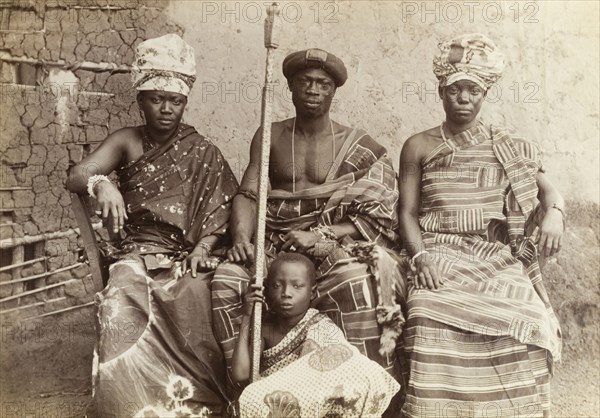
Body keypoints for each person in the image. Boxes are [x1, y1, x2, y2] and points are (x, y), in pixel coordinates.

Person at [211, 48, 403, 394]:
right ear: (290, 87)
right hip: (276, 242)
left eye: (323, 84)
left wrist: (322, 234)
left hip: (334, 244)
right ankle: (242, 393)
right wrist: (242, 239)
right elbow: (249, 193)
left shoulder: (357, 143)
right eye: (305, 82)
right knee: (227, 279)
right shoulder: (271, 135)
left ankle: (363, 395)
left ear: (334, 90)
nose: (313, 90)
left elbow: (380, 207)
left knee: (355, 282)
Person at [66, 34, 238, 417]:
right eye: (156, 98)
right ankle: (126, 404)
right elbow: (78, 174)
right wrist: (103, 182)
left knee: (199, 292)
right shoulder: (127, 140)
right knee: (120, 297)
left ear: (185, 103)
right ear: (141, 100)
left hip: (188, 252)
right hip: (137, 250)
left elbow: (223, 206)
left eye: (175, 101)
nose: (166, 109)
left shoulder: (203, 150)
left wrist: (203, 248)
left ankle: (195, 404)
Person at [397, 33, 564, 417]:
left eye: (473, 89)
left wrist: (555, 213)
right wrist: (421, 258)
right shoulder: (418, 146)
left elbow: (551, 194)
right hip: (437, 251)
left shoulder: (508, 145)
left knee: (528, 318)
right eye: (455, 89)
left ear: (485, 94)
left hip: (493, 256)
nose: (464, 98)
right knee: (425, 309)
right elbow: (406, 213)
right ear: (441, 92)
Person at [232, 252, 400, 417]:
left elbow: (346, 368)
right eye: (276, 285)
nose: (286, 293)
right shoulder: (265, 327)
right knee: (254, 398)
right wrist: (247, 315)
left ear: (312, 293)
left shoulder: (321, 327)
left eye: (297, 286)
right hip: (276, 402)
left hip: (315, 405)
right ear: (266, 290)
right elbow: (241, 373)